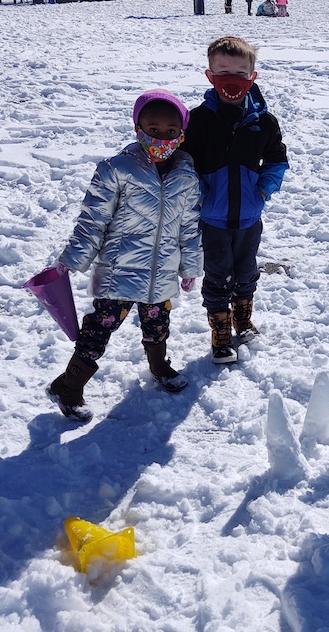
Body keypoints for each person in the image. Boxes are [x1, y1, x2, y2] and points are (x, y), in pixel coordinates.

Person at [47, 90, 203, 421]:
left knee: (158, 324)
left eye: (171, 132)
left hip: (161, 273)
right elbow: (93, 219)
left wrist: (190, 267)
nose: (162, 138)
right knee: (99, 330)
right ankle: (69, 385)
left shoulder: (187, 177)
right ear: (138, 128)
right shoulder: (116, 170)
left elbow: (189, 228)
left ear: (182, 134)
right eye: (153, 129)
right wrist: (73, 258)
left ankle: (159, 367)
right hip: (119, 271)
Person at [184, 36, 289, 364]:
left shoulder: (264, 122)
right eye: (223, 71)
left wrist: (263, 190)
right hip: (213, 219)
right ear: (210, 75)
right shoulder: (198, 120)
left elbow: (276, 160)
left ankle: (242, 318)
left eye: (240, 73)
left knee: (246, 271)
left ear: (253, 76)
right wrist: (198, 195)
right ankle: (221, 331)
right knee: (218, 275)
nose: (232, 79)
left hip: (248, 217)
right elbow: (185, 163)